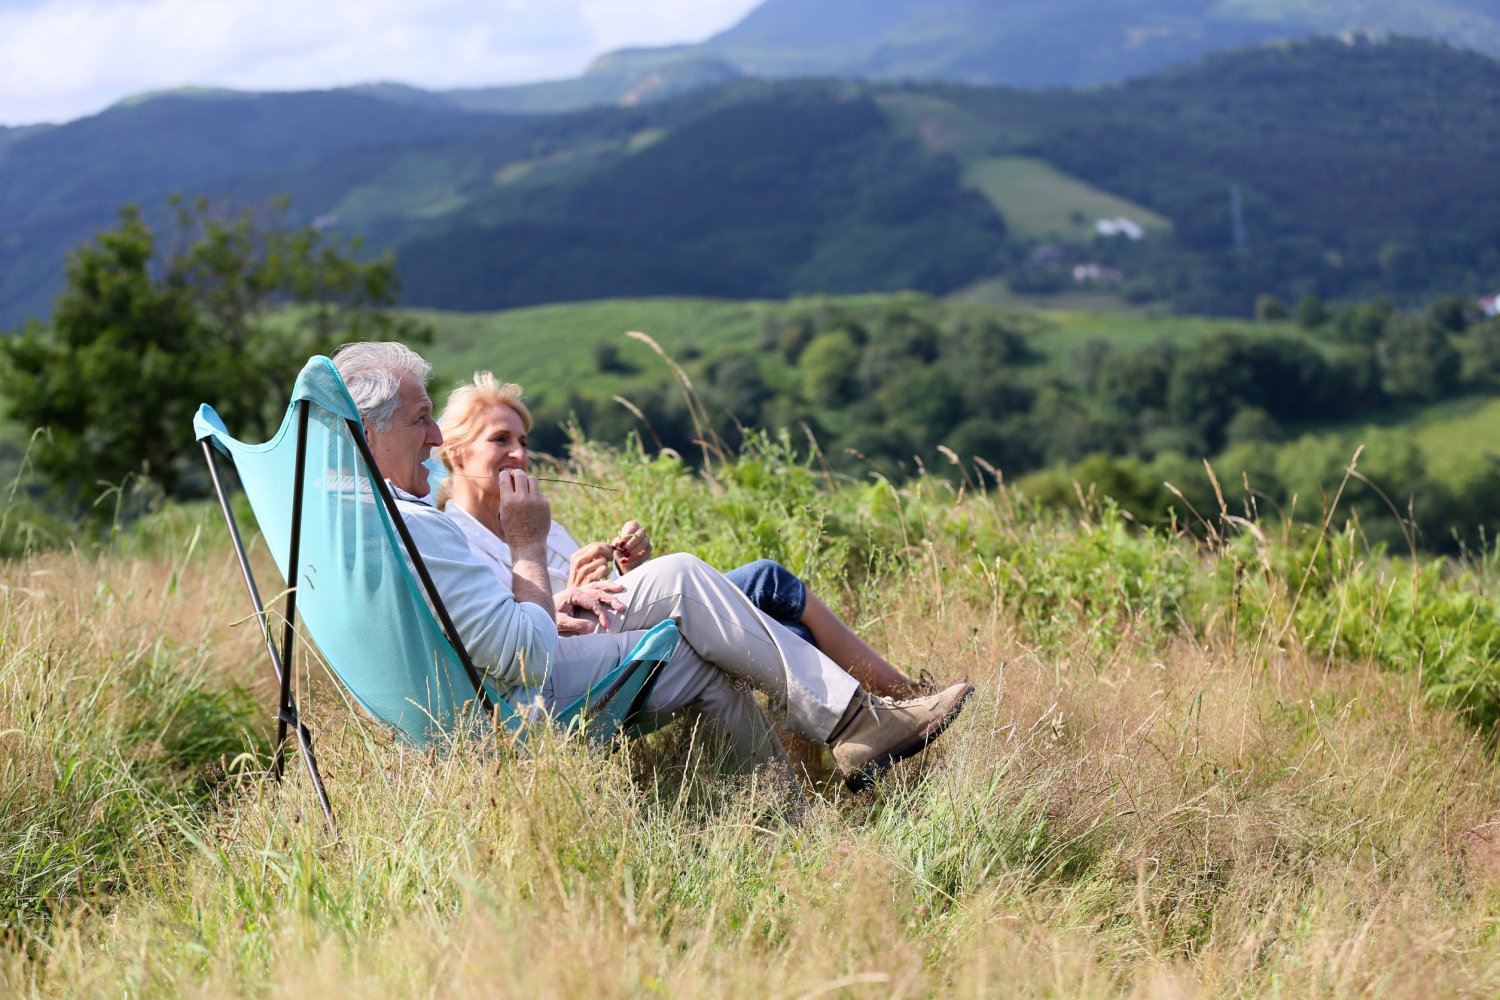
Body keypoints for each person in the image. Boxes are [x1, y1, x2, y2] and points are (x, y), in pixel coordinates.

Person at [331, 341, 973, 792]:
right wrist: (531, 547)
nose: (434, 439)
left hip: (499, 685)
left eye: (522, 440)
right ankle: (865, 722)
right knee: (697, 583)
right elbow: (521, 653)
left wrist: (585, 581)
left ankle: (797, 809)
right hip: (515, 703)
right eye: (422, 421)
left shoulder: (370, 526)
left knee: (710, 639)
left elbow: (499, 625)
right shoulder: (429, 527)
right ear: (373, 431)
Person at [431, 371, 936, 700]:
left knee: (792, 631)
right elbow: (509, 633)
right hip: (577, 666)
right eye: (500, 439)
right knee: (766, 580)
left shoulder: (539, 520)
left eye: (523, 441)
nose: (519, 454)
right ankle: (899, 698)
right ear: (456, 452)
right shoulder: (455, 538)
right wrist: (571, 590)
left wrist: (627, 568)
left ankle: (829, 766)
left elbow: (604, 596)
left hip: (618, 633)